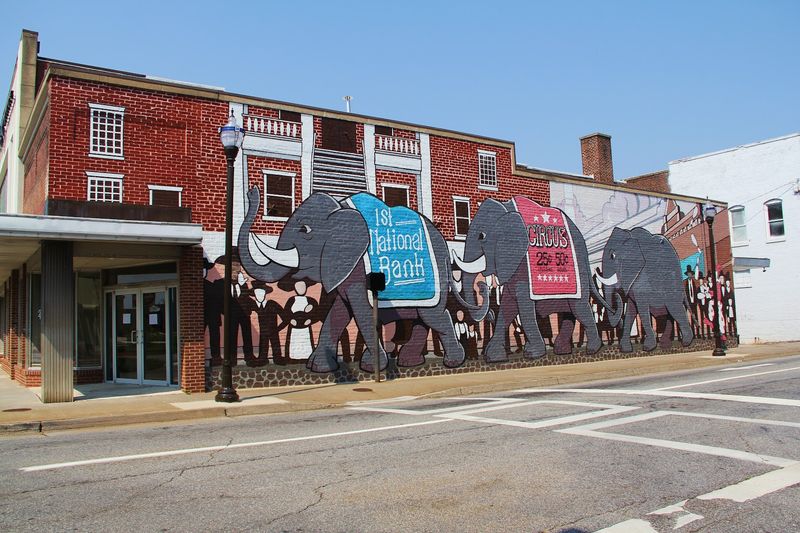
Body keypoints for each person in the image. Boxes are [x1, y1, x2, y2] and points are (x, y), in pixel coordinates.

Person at [283, 280, 317, 363]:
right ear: (295, 288)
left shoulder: (310, 300)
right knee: (294, 342)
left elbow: (317, 313)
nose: (301, 289)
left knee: (306, 342)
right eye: (298, 287)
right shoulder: (291, 300)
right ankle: (293, 358)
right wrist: (291, 320)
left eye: (303, 287)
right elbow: (286, 312)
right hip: (294, 328)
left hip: (305, 327)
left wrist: (310, 320)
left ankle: (306, 357)